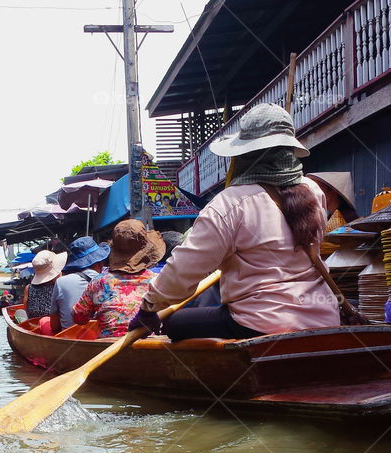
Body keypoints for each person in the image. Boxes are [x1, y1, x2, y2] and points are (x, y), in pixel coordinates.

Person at [128, 103, 340, 342]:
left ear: (244, 154)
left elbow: (181, 273)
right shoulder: (314, 192)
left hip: (258, 326)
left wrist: (149, 307)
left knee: (174, 323)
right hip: (325, 318)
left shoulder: (229, 204)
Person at [72, 219, 164, 338]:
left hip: (108, 347)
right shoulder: (157, 280)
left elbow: (79, 317)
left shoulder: (99, 282)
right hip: (150, 347)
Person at [49, 236, 109, 334]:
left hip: (68, 340)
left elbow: (54, 326)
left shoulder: (61, 282)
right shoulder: (110, 280)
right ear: (99, 262)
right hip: (103, 339)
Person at [23, 249, 66, 332]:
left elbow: (27, 312)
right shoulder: (60, 286)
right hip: (56, 330)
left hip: (35, 328)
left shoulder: (28, 288)